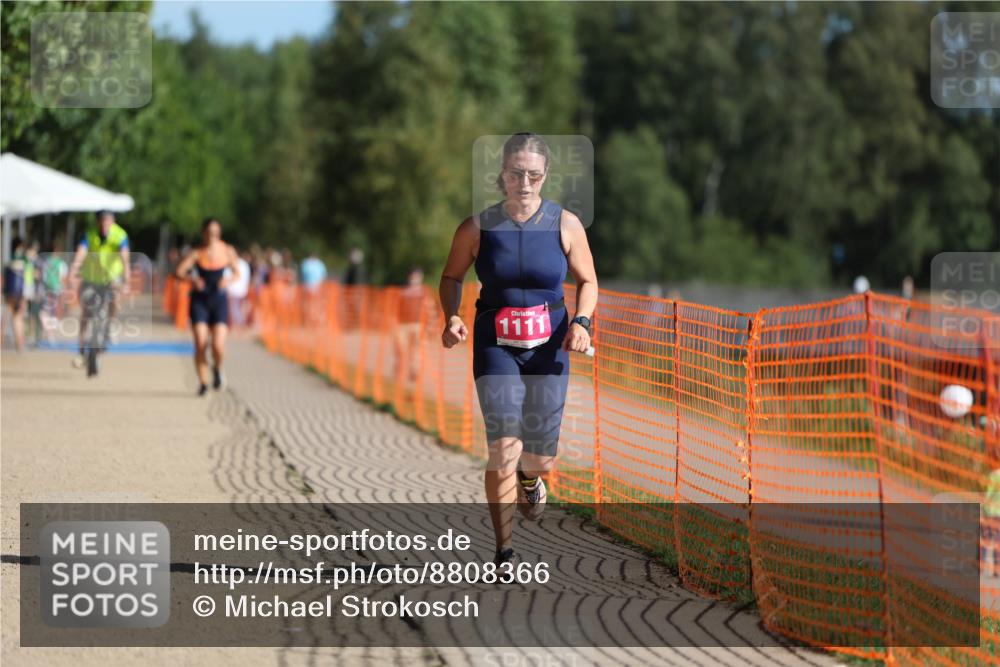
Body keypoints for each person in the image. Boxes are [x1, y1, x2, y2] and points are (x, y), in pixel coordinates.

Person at [439, 133, 598, 566]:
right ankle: (504, 550)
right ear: (501, 175)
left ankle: (532, 477)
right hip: (496, 346)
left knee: (539, 456)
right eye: (515, 173)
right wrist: (452, 317)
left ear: (545, 176)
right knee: (503, 447)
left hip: (549, 346)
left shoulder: (565, 225)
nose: (524, 182)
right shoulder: (476, 227)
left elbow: (588, 281)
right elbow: (451, 278)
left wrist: (582, 323)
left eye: (533, 174)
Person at [175, 217, 241, 396]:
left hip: (219, 301)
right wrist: (192, 279)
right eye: (209, 232)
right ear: (203, 233)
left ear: (219, 233)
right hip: (200, 301)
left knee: (218, 345)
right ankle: (203, 383)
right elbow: (179, 271)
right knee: (200, 343)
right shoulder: (197, 253)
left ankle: (218, 368)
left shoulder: (227, 251)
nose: (212, 236)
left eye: (215, 232)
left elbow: (237, 273)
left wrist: (227, 280)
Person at [69, 211, 131, 370]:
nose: (104, 225)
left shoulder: (120, 235)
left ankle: (109, 326)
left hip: (111, 277)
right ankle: (81, 348)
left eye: (108, 222)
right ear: (97, 222)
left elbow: (125, 258)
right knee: (86, 313)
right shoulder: (89, 234)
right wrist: (73, 270)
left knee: (115, 300)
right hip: (91, 277)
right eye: (102, 222)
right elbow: (81, 253)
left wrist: (127, 280)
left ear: (113, 222)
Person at [3, 237, 28, 351]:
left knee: (5, 317)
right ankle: (20, 345)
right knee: (18, 318)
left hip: (9, 292)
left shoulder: (8, 259)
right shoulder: (24, 260)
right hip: (20, 293)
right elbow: (27, 278)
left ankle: (1, 342)